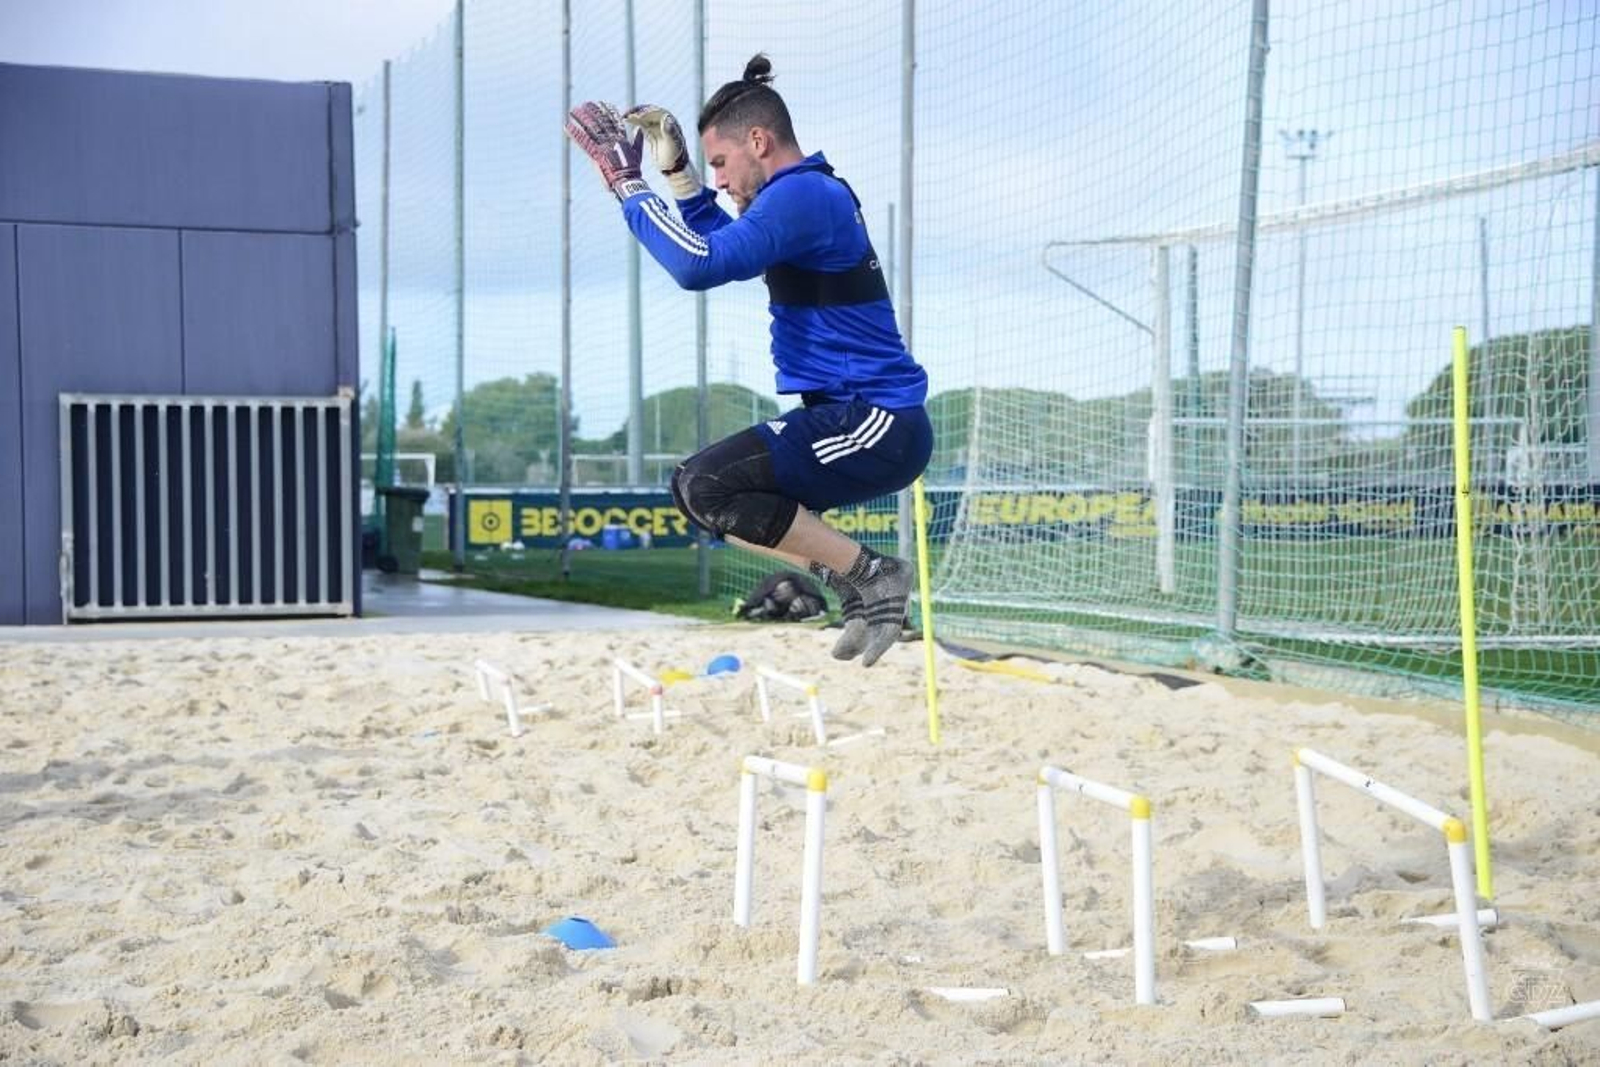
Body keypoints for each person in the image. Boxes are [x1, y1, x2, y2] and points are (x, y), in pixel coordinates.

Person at [565, 54, 931, 667]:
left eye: (720, 164)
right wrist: (678, 173)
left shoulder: (806, 195)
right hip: (848, 417)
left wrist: (628, 183)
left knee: (710, 482)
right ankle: (855, 580)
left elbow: (698, 263)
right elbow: (715, 239)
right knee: (697, 491)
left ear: (758, 141)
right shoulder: (796, 198)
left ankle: (873, 575)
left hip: (878, 421)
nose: (722, 182)